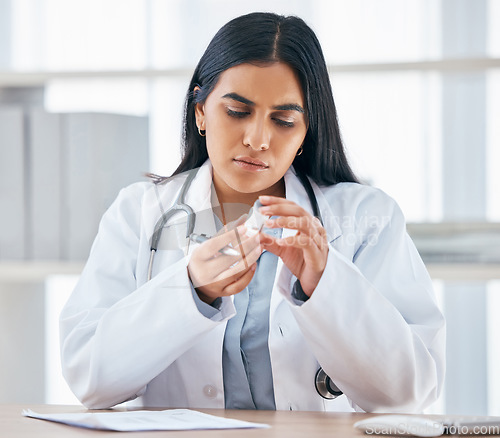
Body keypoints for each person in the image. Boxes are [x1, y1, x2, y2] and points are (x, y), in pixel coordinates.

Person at [60, 12, 445, 413]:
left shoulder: (368, 219)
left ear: (304, 133)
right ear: (201, 111)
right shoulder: (137, 213)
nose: (257, 139)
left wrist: (326, 282)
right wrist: (191, 289)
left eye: (283, 120)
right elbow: (89, 378)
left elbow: (408, 395)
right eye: (238, 112)